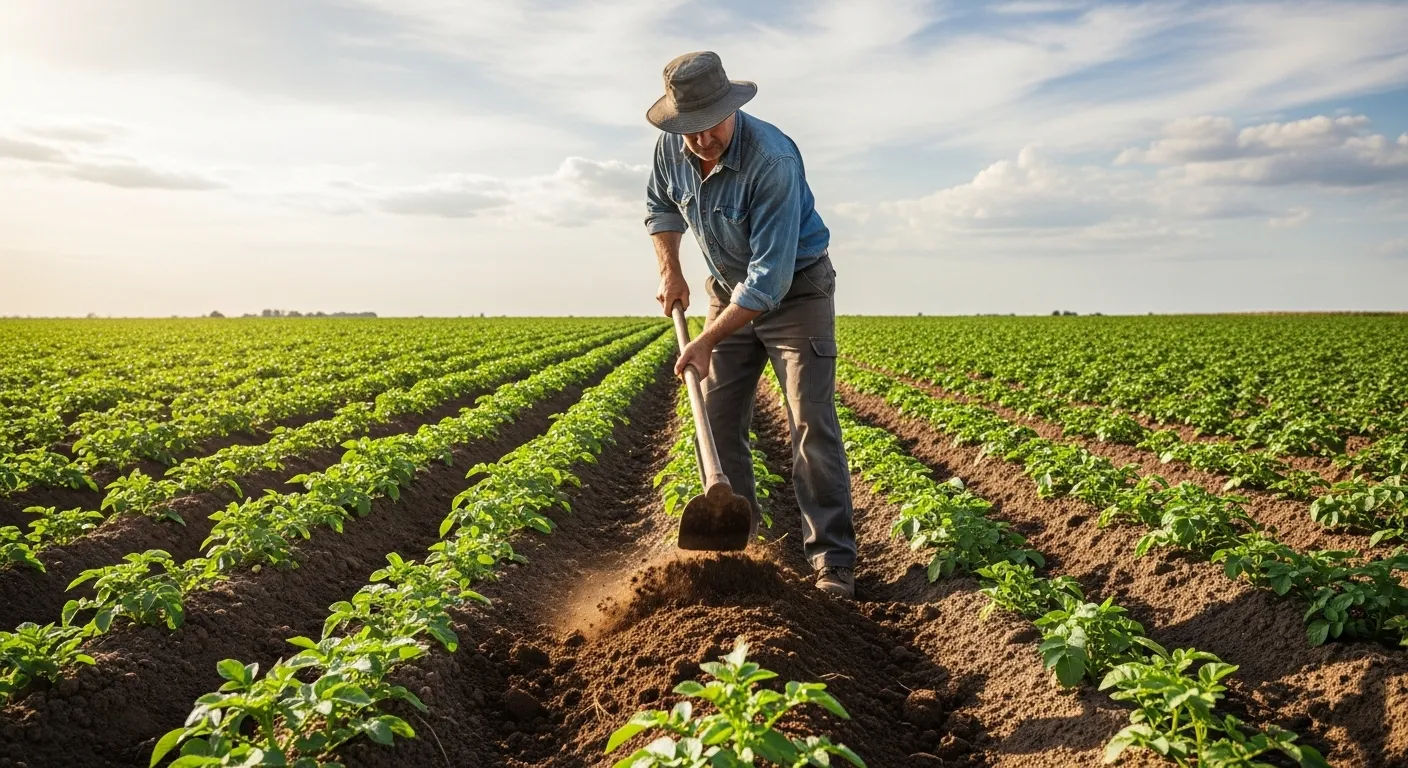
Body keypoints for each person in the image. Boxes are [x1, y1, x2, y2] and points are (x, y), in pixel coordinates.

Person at [643, 50, 857, 598]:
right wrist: (672, 269)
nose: (699, 141)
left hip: (796, 291)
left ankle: (832, 561)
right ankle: (738, 552)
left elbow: (768, 281)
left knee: (809, 418)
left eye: (708, 126)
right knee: (714, 419)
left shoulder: (773, 160)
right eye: (687, 129)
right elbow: (660, 206)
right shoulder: (674, 145)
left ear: (731, 108)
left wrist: (707, 339)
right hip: (724, 288)